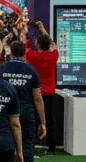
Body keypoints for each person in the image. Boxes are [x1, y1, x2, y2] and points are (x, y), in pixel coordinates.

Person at [0, 41, 46, 162]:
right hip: (26, 112)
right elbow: (37, 97)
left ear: (11, 52)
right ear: (24, 53)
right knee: (27, 145)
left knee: (6, 145)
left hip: (6, 112)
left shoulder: (2, 69)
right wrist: (43, 122)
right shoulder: (31, 71)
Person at [26, 26, 61, 154]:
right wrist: (42, 29)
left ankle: (32, 146)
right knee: (50, 120)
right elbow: (53, 44)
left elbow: (24, 48)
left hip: (35, 92)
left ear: (38, 44)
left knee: (33, 119)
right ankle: (52, 148)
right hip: (50, 93)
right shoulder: (53, 56)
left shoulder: (32, 55)